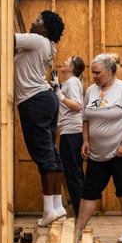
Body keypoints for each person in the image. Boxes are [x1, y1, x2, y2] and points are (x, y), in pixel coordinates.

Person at [76, 53, 122, 243]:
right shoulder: (91, 91)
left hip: (121, 152)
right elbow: (86, 118)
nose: (94, 76)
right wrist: (86, 140)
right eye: (93, 72)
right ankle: (78, 230)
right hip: (98, 153)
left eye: (98, 73)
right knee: (89, 190)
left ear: (110, 71)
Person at [14, 10, 65, 226]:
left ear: (44, 29)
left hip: (33, 100)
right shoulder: (49, 46)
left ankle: (48, 211)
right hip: (46, 99)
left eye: (38, 21)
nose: (33, 23)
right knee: (52, 153)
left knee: (44, 156)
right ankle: (57, 205)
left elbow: (3, 39)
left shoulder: (36, 40)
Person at [51, 56, 86, 216]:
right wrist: (57, 86)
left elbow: (77, 106)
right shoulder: (71, 82)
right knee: (76, 172)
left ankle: (80, 212)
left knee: (72, 173)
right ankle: (83, 209)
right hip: (72, 133)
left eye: (67, 61)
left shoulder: (72, 82)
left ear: (71, 68)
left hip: (71, 133)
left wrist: (59, 94)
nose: (64, 62)